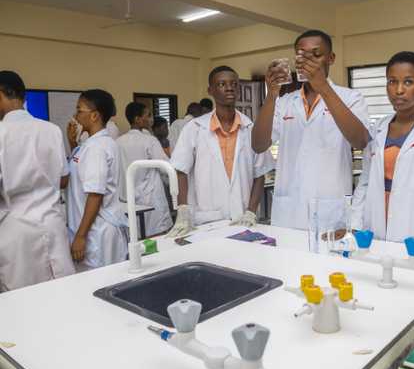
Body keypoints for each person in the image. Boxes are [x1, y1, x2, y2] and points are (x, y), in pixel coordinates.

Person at [252, 30, 370, 229]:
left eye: (316, 54)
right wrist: (271, 95)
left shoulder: (351, 98)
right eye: (302, 55)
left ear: (331, 58)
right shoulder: (285, 102)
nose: (308, 61)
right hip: (288, 212)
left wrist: (323, 87)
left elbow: (360, 141)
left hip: (330, 212)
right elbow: (258, 145)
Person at [352, 51, 414, 249]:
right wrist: (354, 224)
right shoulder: (378, 127)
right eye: (392, 82)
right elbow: (365, 182)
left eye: (408, 82)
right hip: (375, 219)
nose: (399, 90)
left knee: (410, 263)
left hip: (411, 220)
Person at [168, 66, 273, 234]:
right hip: (206, 220)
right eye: (222, 84)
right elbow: (181, 170)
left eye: (234, 84)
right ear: (210, 90)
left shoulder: (251, 128)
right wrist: (182, 209)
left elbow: (259, 174)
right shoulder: (194, 128)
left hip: (242, 218)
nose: (229, 88)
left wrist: (251, 212)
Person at [0, 70, 76, 290]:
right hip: (52, 225)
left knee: (23, 300)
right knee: (61, 293)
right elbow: (63, 180)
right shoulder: (51, 130)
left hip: (16, 231)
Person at [67, 89, 128, 269]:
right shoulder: (92, 144)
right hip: (95, 228)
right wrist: (72, 143)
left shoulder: (97, 147)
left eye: (79, 110)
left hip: (96, 231)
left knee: (100, 279)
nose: (75, 115)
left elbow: (95, 194)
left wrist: (80, 236)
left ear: (94, 116)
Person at [117, 102, 173, 236]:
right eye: (148, 115)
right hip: (150, 198)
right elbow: (165, 167)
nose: (151, 119)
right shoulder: (149, 141)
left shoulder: (118, 142)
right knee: (156, 237)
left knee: (136, 236)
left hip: (128, 197)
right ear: (137, 119)